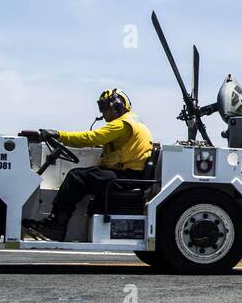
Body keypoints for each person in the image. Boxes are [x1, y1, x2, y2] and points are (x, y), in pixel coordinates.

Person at [21, 89, 153, 240]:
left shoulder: (121, 125)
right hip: (130, 175)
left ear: (116, 106)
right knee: (85, 175)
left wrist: (59, 135)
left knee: (76, 177)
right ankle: (56, 223)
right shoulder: (134, 122)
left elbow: (91, 138)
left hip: (125, 177)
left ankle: (56, 226)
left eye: (104, 108)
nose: (103, 113)